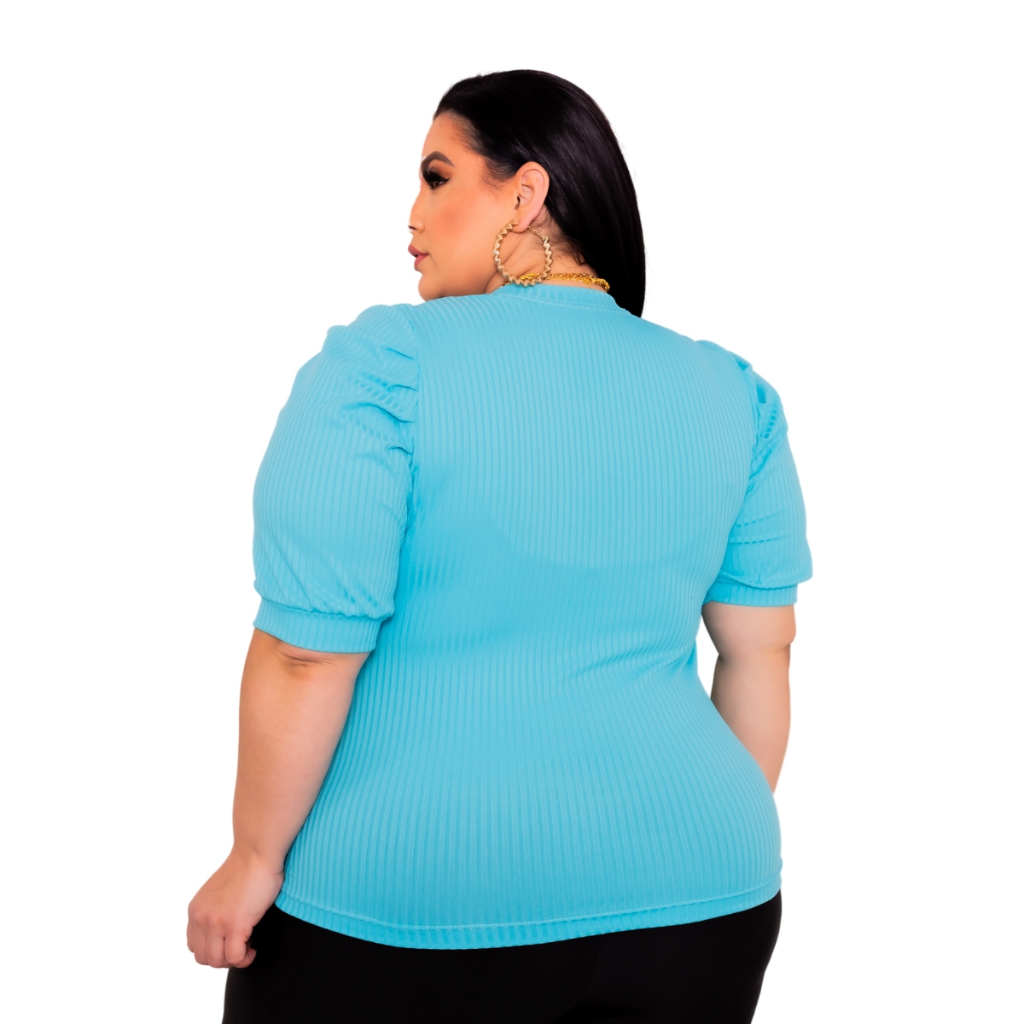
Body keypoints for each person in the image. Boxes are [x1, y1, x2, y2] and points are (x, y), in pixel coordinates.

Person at [187, 69, 813, 1024]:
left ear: (525, 195)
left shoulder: (382, 366)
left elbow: (307, 652)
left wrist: (253, 858)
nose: (411, 213)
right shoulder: (734, 393)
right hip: (707, 900)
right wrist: (681, 845)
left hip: (407, 907)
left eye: (437, 176)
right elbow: (761, 651)